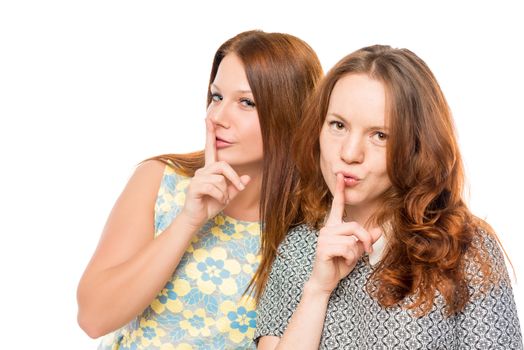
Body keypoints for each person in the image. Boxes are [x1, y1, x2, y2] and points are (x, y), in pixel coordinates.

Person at [255, 45, 523, 349]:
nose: (349, 153)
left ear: (415, 146)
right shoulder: (300, 249)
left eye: (380, 135)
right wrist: (318, 289)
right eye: (338, 125)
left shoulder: (464, 248)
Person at [76, 30, 323, 349]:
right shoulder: (160, 179)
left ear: (291, 113)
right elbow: (93, 318)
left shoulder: (311, 226)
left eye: (246, 103)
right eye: (217, 97)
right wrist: (188, 221)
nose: (216, 117)